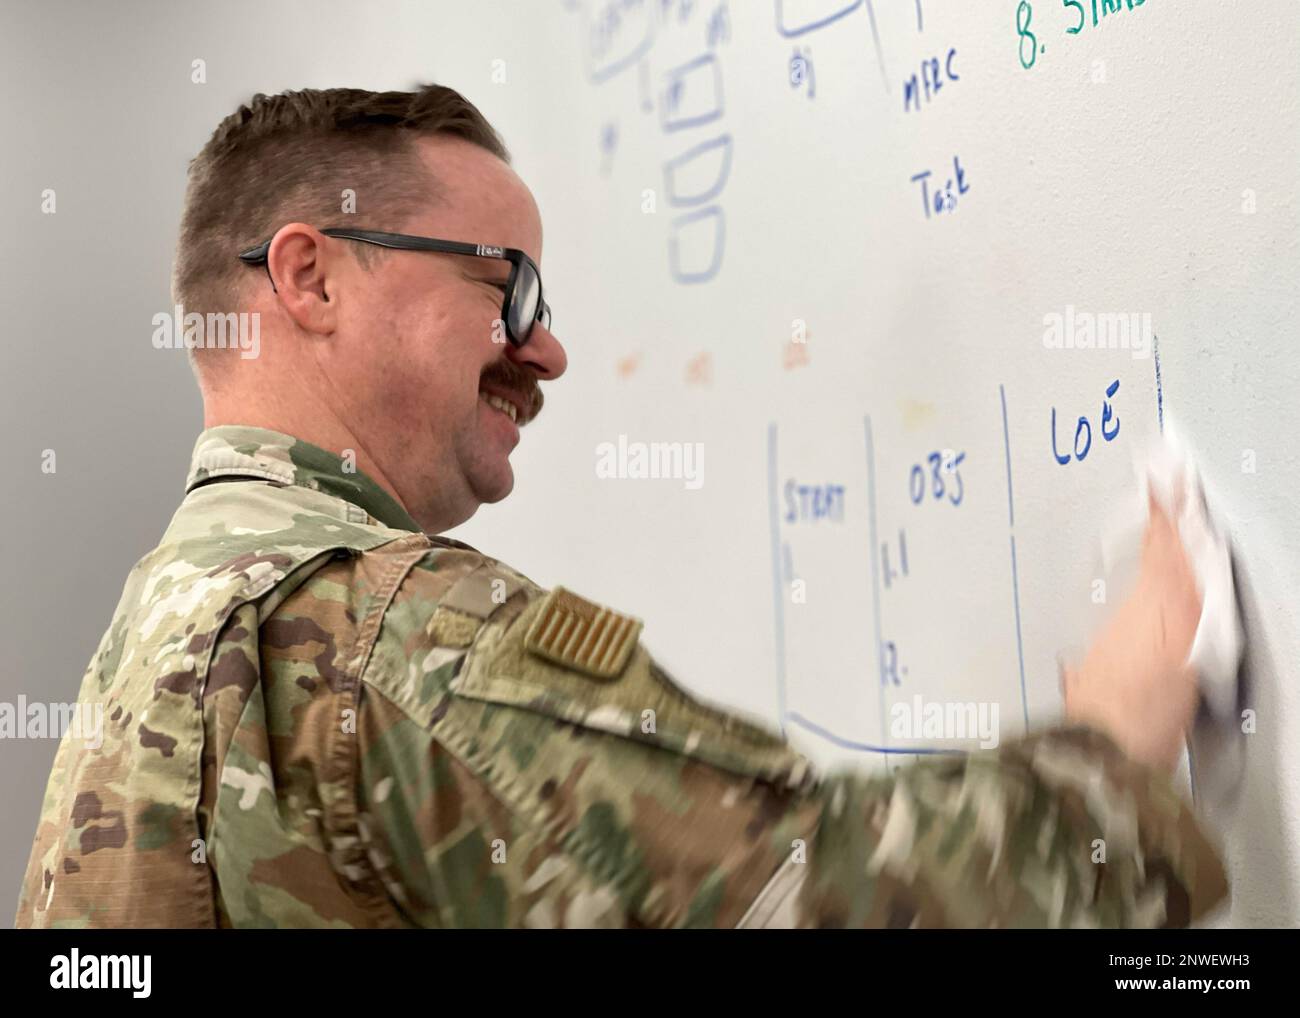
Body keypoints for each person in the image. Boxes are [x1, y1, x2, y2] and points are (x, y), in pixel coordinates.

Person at [15, 85, 1227, 928]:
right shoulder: (392, 638)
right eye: (511, 288)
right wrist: (1110, 755)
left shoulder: (148, 637)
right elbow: (830, 896)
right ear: (310, 275)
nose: (546, 353)